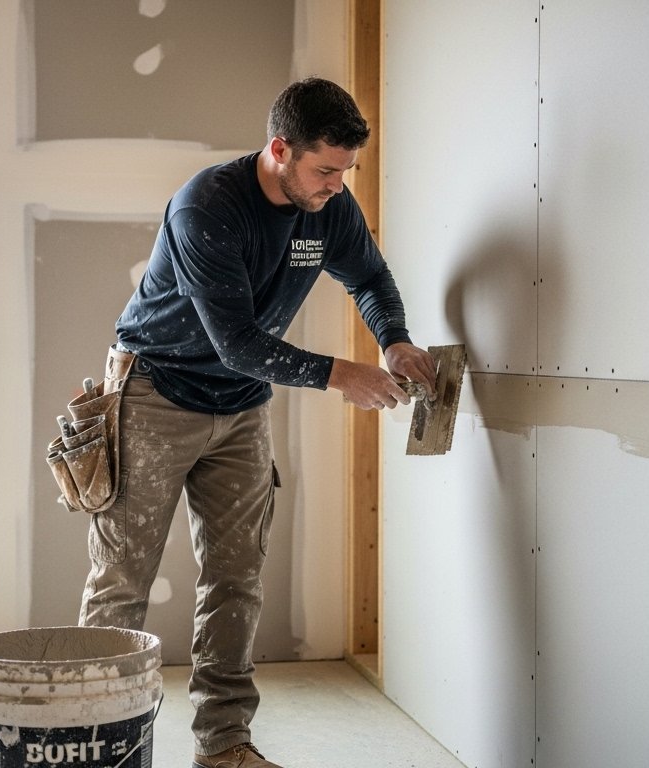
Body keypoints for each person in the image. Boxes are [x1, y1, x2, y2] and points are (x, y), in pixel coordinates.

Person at [78, 76, 436, 768]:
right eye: (326, 169)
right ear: (280, 149)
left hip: (239, 407)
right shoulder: (207, 208)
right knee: (123, 578)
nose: (337, 184)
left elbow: (368, 276)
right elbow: (235, 341)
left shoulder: (327, 207)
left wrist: (392, 338)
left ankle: (224, 747)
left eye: (345, 171)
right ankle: (102, 746)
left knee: (237, 578)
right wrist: (343, 374)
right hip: (156, 392)